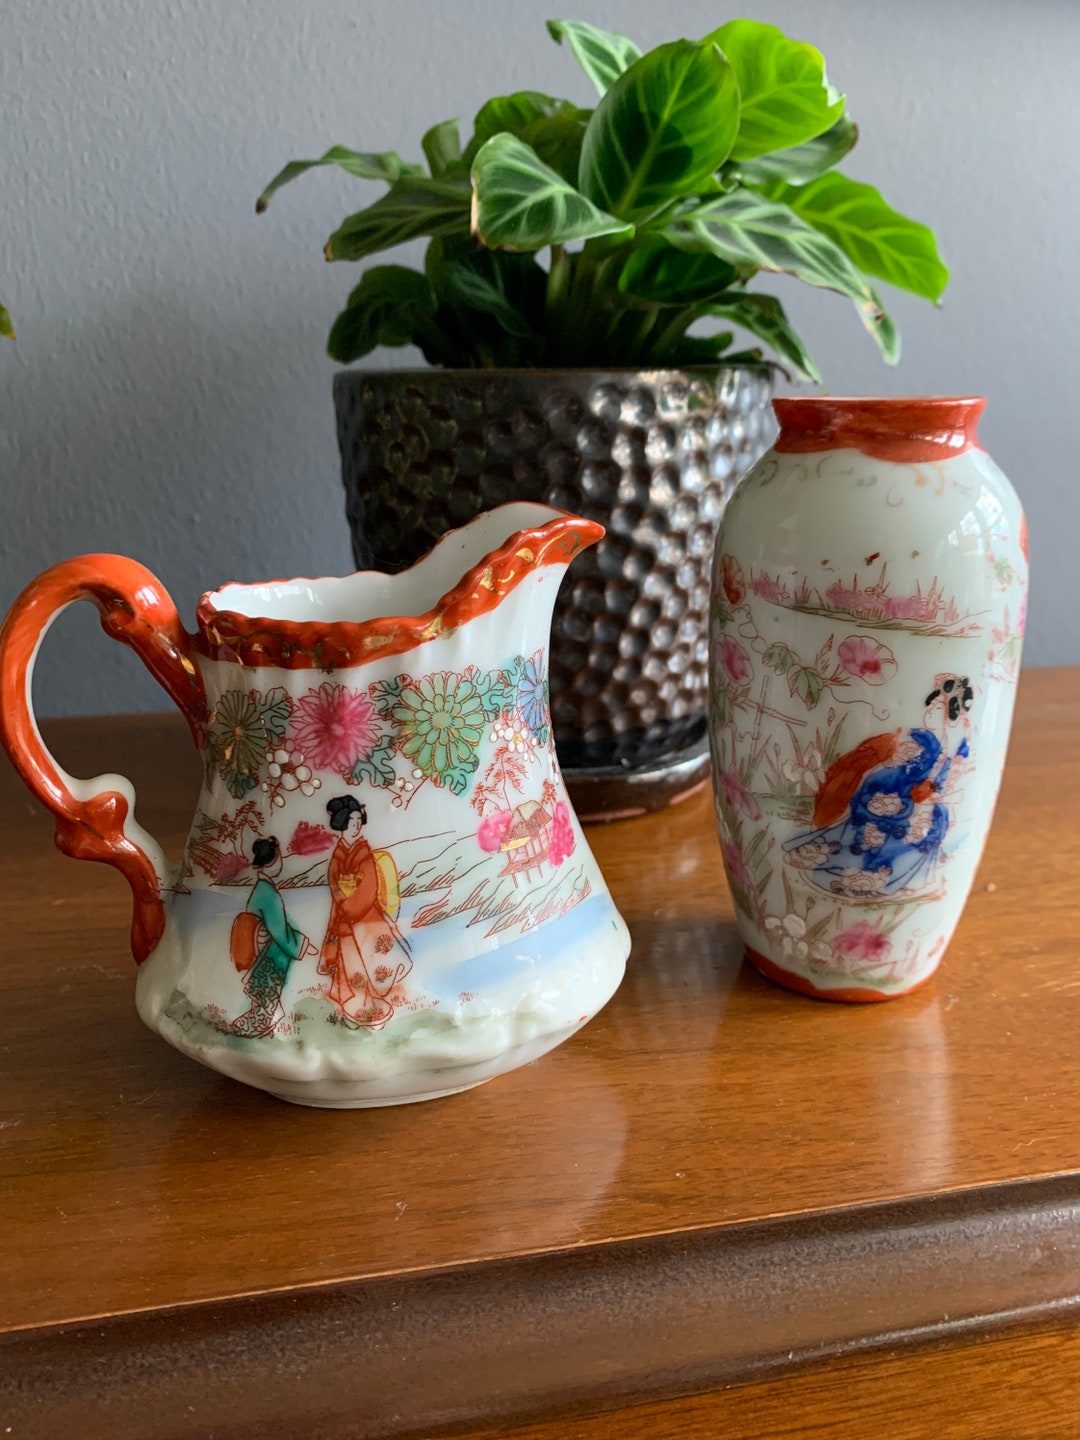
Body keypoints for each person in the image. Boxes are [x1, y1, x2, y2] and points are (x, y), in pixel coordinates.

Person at [784, 674, 974, 899]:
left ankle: (883, 875)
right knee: (869, 810)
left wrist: (926, 794)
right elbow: (902, 767)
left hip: (921, 805)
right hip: (900, 789)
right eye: (931, 706)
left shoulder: (955, 748)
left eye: (938, 708)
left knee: (905, 828)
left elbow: (948, 786)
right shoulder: (921, 740)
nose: (931, 713)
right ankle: (845, 857)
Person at [319, 796, 412, 1029]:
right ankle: (357, 1011)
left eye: (359, 821)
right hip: (345, 921)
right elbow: (334, 886)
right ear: (342, 824)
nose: (356, 827)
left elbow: (369, 889)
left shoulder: (363, 853)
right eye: (351, 822)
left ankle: (377, 1009)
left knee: (376, 965)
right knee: (354, 970)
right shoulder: (338, 856)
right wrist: (345, 902)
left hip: (368, 920)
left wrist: (351, 906)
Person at [231, 837, 315, 1037]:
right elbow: (279, 931)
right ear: (272, 863)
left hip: (265, 948)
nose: (282, 863)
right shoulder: (267, 894)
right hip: (268, 953)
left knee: (263, 992)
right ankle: (259, 1024)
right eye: (279, 859)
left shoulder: (263, 889)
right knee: (266, 991)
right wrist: (303, 944)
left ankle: (258, 1021)